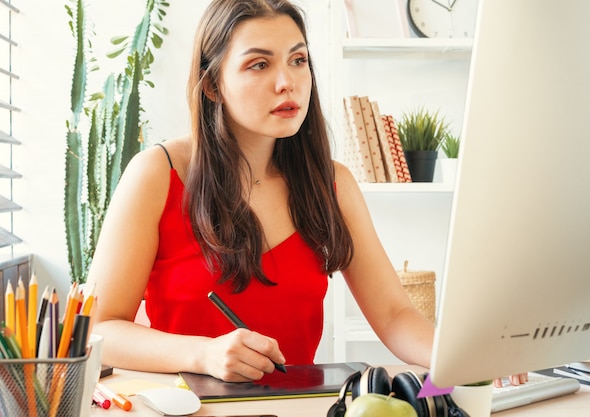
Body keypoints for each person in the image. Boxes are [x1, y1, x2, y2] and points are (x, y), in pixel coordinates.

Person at [87, 0, 525, 387]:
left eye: (298, 60)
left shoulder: (333, 185)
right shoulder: (157, 174)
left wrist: (463, 356)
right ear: (212, 85)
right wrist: (202, 354)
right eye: (260, 64)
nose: (287, 81)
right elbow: (99, 327)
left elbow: (394, 315)